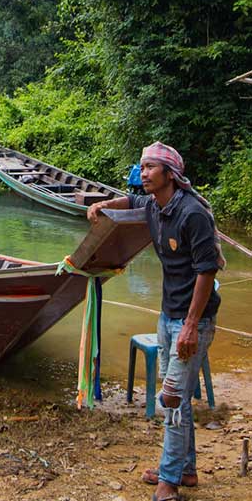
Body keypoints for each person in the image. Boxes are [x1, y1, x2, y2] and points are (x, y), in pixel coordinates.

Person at [87, 141, 222, 501]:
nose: (143, 173)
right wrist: (101, 204)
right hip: (167, 314)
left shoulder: (192, 214)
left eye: (149, 167)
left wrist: (192, 325)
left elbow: (207, 271)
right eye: (142, 166)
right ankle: (185, 470)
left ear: (170, 174)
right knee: (174, 396)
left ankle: (169, 481)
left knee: (173, 398)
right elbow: (130, 202)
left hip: (193, 319)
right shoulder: (154, 205)